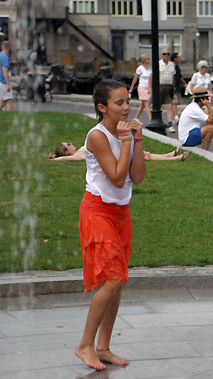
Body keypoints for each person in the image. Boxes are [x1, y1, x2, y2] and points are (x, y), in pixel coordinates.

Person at [74, 79, 146, 370]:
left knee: (116, 284)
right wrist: (126, 140)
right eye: (119, 103)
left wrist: (137, 140)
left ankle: (103, 347)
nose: (127, 107)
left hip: (120, 213)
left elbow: (137, 177)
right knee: (113, 278)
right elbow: (117, 177)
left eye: (127, 101)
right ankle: (84, 345)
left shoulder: (127, 131)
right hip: (97, 211)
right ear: (102, 107)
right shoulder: (97, 135)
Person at [48, 141, 188, 162]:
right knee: (143, 156)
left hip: (113, 151)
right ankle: (173, 158)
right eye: (68, 144)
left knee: (143, 153)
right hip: (113, 156)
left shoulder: (79, 150)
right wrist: (55, 159)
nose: (71, 144)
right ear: (67, 151)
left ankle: (168, 155)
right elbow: (67, 159)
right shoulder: (78, 154)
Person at [149, 48, 176, 132]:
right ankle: (156, 121)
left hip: (168, 86)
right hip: (159, 86)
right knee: (158, 105)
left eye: (168, 54)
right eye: (164, 54)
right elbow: (151, 76)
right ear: (161, 55)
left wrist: (173, 87)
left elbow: (173, 76)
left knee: (169, 105)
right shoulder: (158, 64)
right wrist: (150, 87)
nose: (166, 56)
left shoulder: (172, 64)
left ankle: (170, 123)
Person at [129, 54, 152, 120]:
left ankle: (136, 118)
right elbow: (135, 78)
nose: (148, 60)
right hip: (142, 87)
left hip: (148, 87)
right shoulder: (140, 68)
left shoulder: (150, 69)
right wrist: (131, 88)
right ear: (144, 60)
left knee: (143, 105)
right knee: (147, 104)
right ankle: (150, 119)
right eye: (147, 59)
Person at [172, 53, 187, 123]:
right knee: (174, 102)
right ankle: (176, 117)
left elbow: (180, 76)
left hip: (178, 86)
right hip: (173, 86)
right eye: (178, 57)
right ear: (175, 59)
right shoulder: (171, 66)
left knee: (177, 102)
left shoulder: (177, 66)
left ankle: (175, 115)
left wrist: (185, 83)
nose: (180, 59)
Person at [0, 40, 12, 111]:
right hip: (3, 82)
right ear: (8, 48)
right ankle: (10, 117)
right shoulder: (5, 57)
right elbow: (4, 71)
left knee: (4, 101)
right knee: (8, 100)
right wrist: (8, 83)